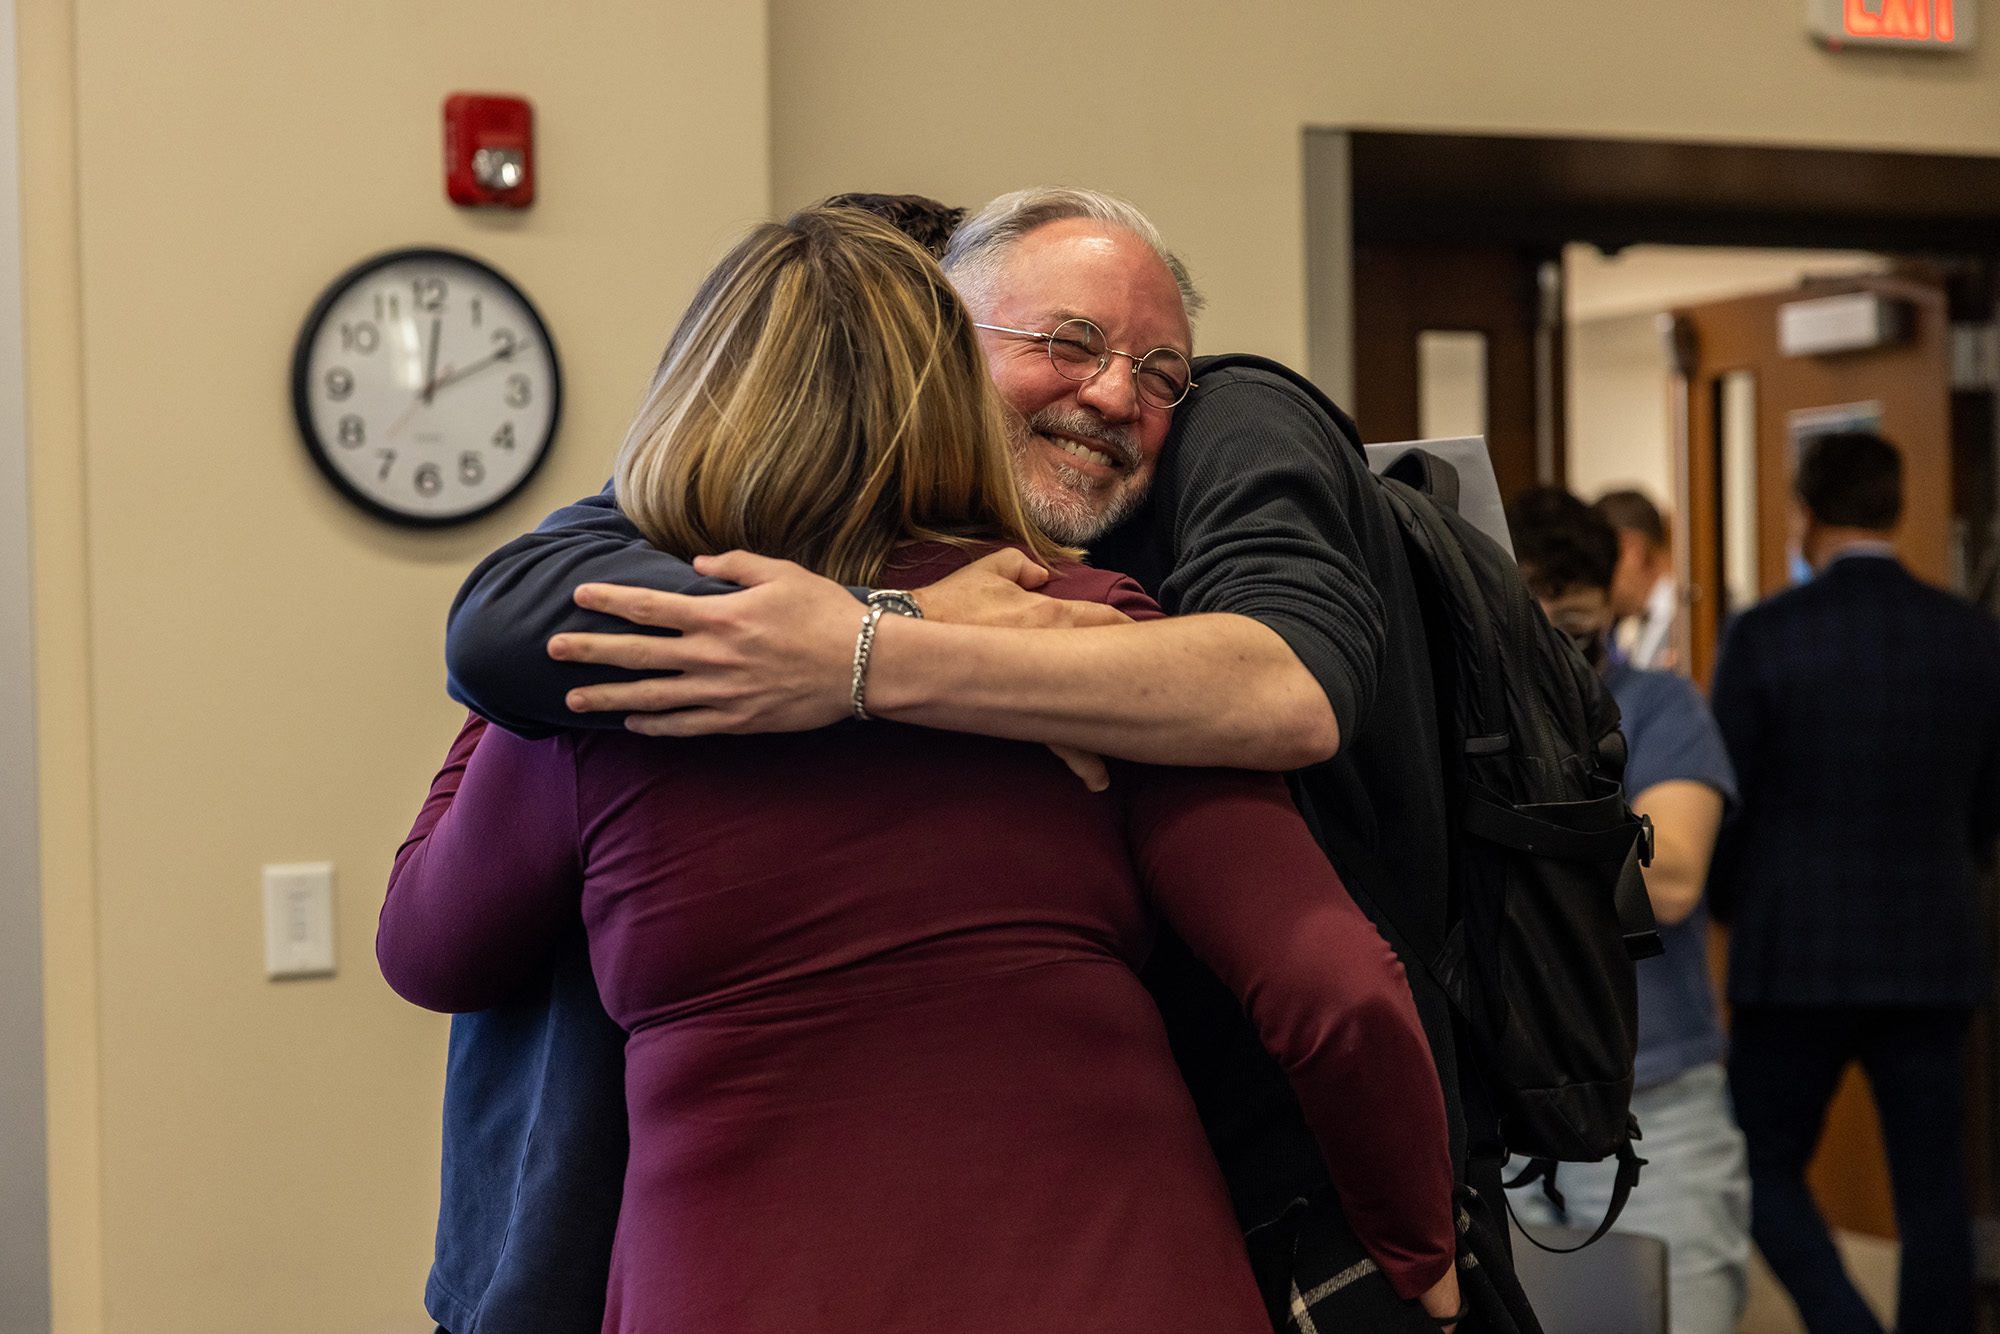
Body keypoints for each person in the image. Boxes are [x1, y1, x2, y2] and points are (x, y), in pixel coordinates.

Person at [438, 188, 1525, 1331]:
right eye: (1067, 343)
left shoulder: (629, 674)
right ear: (940, 363)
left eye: (1160, 373)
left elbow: (429, 941)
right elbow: (1331, 984)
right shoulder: (1069, 629)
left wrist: (864, 649)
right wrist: (1419, 1250)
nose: (1115, 394)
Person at [1709, 431, 2000, 1334]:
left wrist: (1727, 907)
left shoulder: (1764, 636)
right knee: (1933, 1185)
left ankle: (1844, 1323)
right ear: (1898, 508)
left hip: (1794, 954)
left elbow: (1730, 794)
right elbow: (1986, 804)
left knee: (1760, 1163)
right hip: (1933, 946)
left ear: (1803, 512)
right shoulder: (1971, 637)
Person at [1505, 487, 1750, 1334]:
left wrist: (1522, 821)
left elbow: (1672, 878)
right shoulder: (1457, 718)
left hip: (1657, 1105)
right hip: (1505, 1108)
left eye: (1573, 619)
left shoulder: (1658, 706)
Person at [1595, 488, 1679, 671]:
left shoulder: (1702, 614)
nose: (1596, 583)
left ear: (1630, 548)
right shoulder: (1625, 626)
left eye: (1598, 562)